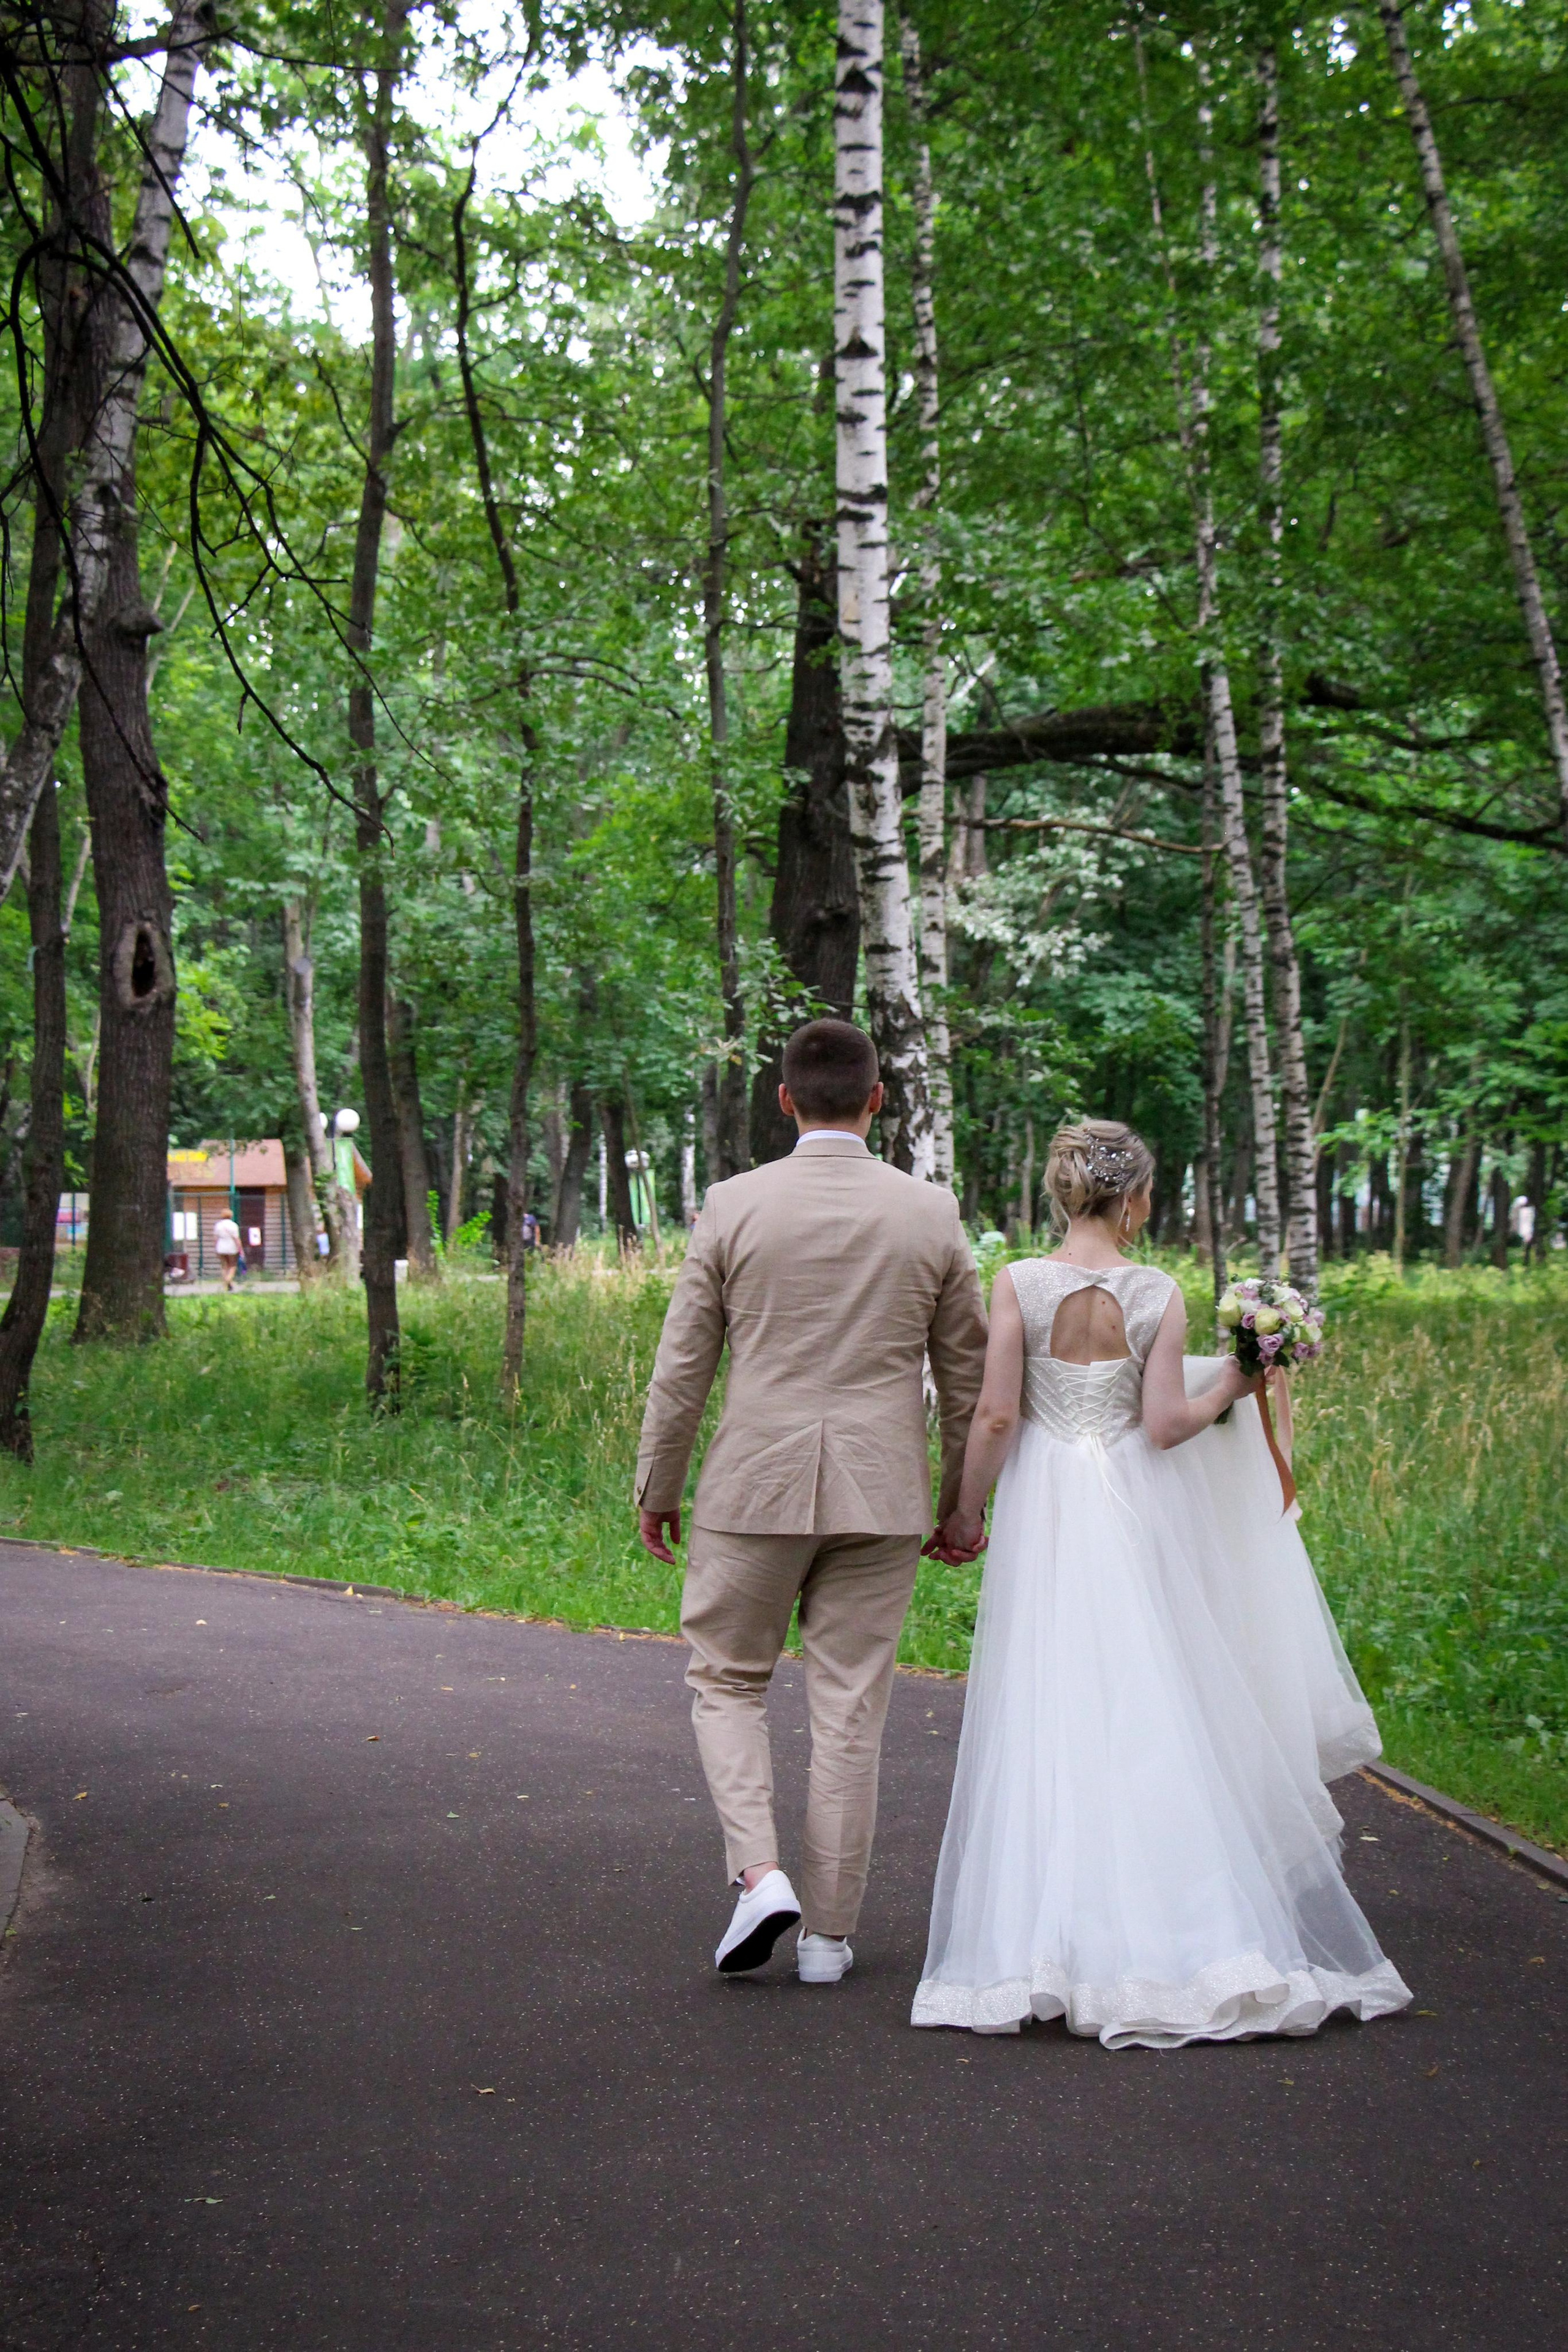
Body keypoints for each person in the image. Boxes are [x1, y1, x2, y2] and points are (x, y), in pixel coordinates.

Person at [913, 1118, 1411, 2046]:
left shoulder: (1018, 1281)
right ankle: (1184, 1933)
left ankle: (1040, 1946)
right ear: (1134, 1199)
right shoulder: (1157, 1292)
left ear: (1064, 1193)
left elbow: (995, 1414)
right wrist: (1237, 1381)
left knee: (1046, 1704)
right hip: (1128, 1509)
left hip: (1049, 1503)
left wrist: (966, 1512)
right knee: (1145, 1699)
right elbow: (1169, 1426)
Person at [635, 1019, 988, 1985]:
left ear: (784, 1100)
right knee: (850, 1706)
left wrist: (659, 1486)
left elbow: (684, 1366)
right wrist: (964, 1503)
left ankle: (760, 1877)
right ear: (879, 1100)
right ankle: (830, 1939)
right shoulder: (932, 1213)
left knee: (727, 1680)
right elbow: (969, 1376)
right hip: (884, 1492)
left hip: (754, 1483)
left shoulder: (733, 1205)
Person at [213, 1210, 241, 1292]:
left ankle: (227, 1286)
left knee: (224, 1266)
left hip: (221, 1247)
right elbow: (237, 1239)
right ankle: (228, 1280)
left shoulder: (218, 1225)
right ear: (231, 1216)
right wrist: (240, 1249)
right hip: (231, 1246)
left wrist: (216, 1248)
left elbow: (215, 1238)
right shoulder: (233, 1225)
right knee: (233, 1265)